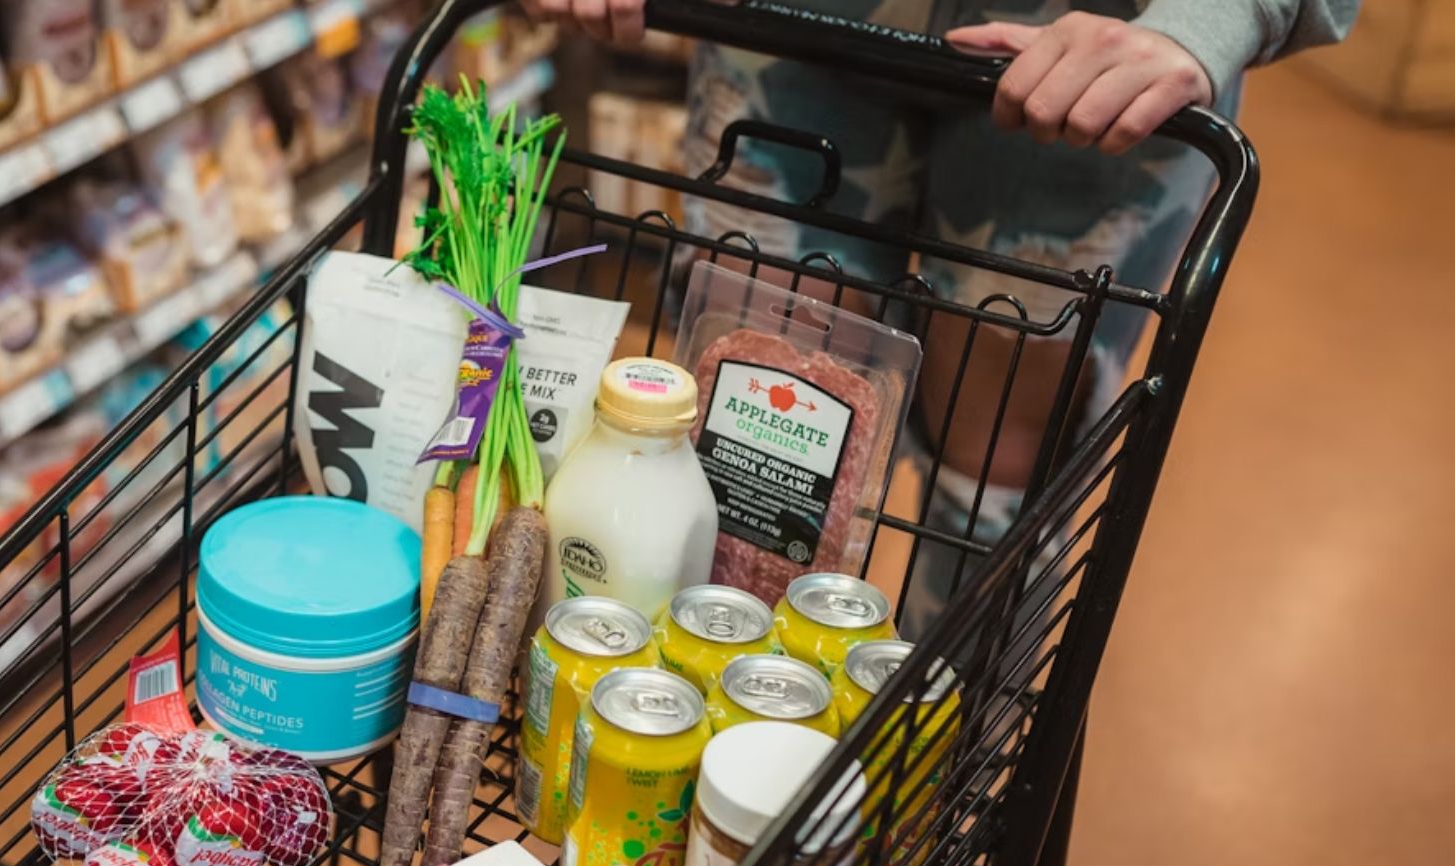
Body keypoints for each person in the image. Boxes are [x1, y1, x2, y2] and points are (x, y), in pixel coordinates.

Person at [522, 0, 1357, 632]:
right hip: (792, 22)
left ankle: (926, 786)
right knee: (752, 427)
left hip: (1100, 47)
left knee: (998, 472)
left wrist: (1214, 17)